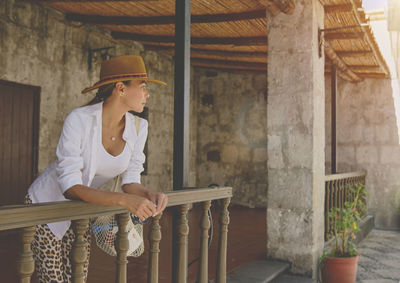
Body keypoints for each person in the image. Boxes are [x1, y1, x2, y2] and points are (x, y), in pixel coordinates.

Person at [25, 55, 168, 282]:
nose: (147, 94)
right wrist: (123, 201)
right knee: (53, 279)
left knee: (77, 277)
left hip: (81, 211)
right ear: (121, 88)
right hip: (46, 206)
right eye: (142, 87)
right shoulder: (79, 120)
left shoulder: (140, 126)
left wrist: (149, 194)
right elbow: (70, 186)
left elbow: (130, 180)